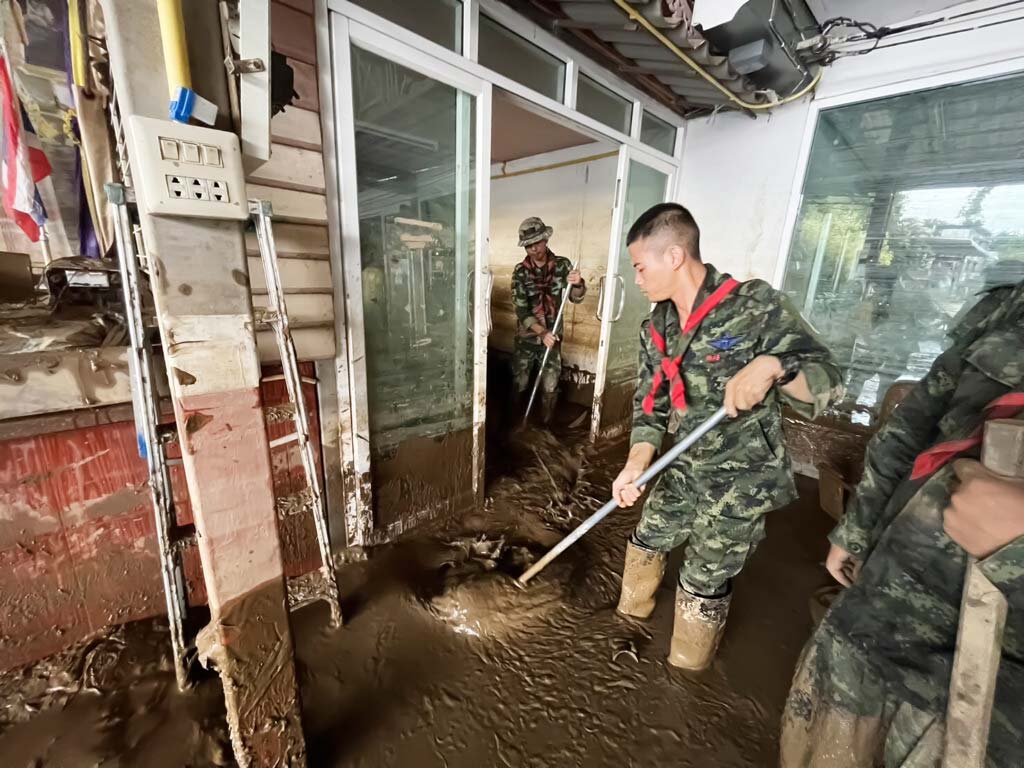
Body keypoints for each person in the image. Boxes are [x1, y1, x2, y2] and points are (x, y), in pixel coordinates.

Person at [781, 278, 1024, 767]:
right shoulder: (1010, 309)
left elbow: (826, 379)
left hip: (993, 698)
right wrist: (858, 526)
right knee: (822, 743)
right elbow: (910, 428)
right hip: (878, 602)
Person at [611, 203, 842, 671]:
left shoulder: (755, 307)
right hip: (681, 464)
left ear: (674, 256)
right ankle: (626, 625)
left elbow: (830, 380)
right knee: (647, 538)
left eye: (639, 266)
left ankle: (685, 669)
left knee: (703, 574)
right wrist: (636, 463)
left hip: (743, 476)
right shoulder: (656, 327)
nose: (636, 279)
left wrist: (775, 367)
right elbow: (650, 405)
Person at [511, 216, 586, 424]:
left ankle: (546, 427)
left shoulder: (563, 266)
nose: (533, 249)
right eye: (528, 246)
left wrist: (578, 283)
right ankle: (515, 424)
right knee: (521, 382)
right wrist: (541, 332)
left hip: (553, 338)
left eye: (537, 243)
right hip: (527, 338)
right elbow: (521, 310)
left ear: (546, 239)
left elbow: (575, 297)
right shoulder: (520, 271)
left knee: (551, 384)